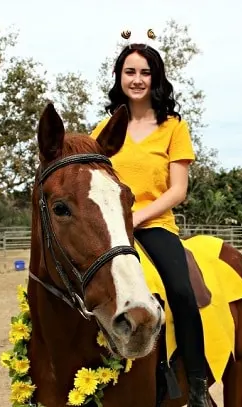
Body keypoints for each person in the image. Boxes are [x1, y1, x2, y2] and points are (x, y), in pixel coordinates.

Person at [90, 31, 211, 407]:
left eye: (145, 72)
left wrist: (138, 216)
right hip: (112, 230)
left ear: (156, 79)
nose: (137, 79)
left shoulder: (174, 126)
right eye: (129, 71)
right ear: (119, 78)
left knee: (180, 291)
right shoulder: (103, 130)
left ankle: (196, 382)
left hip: (155, 226)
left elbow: (177, 191)